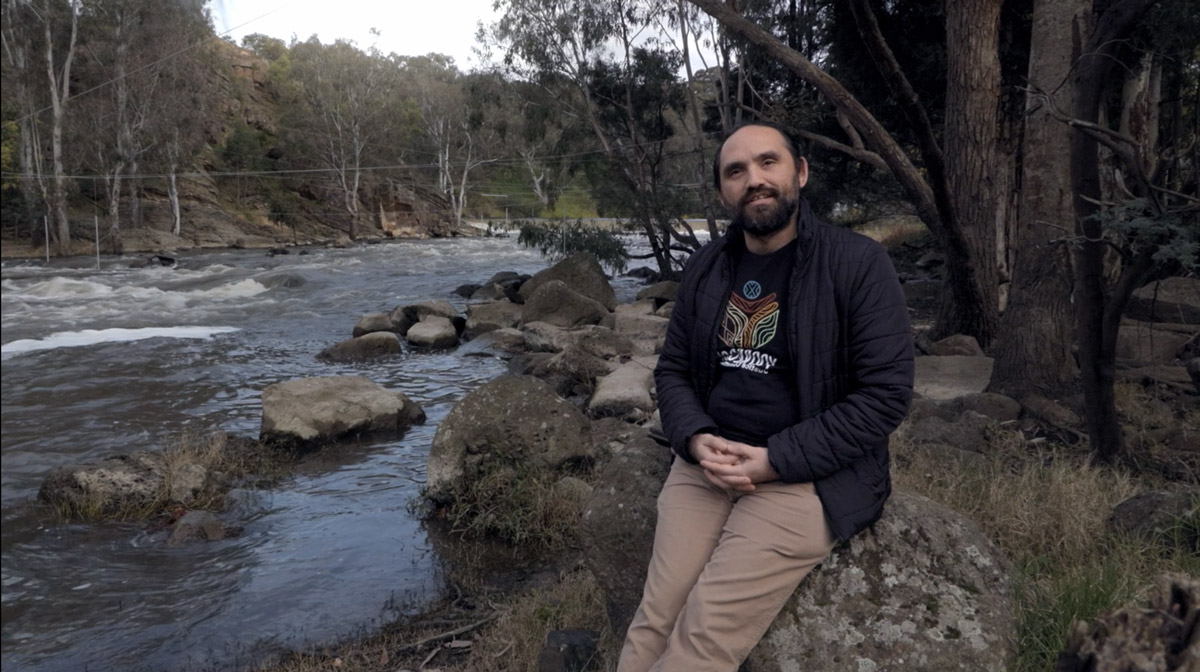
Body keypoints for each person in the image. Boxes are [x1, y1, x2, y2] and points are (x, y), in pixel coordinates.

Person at [618, 122, 915, 672]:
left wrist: (777, 459)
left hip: (808, 476)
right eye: (736, 171)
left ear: (799, 172)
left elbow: (885, 395)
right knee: (656, 615)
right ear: (724, 191)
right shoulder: (708, 266)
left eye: (768, 162)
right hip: (707, 466)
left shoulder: (857, 264)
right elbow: (675, 370)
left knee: (703, 634)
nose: (755, 180)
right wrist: (695, 436)